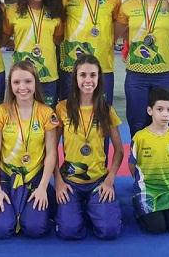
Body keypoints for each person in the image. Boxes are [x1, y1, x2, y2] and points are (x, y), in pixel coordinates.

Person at [54, 54, 123, 240]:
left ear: (99, 78)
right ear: (75, 78)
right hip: (69, 181)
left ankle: (93, 208)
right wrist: (59, 182)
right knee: (69, 231)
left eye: (93, 75)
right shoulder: (62, 109)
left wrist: (110, 180)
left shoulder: (106, 110)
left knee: (109, 231)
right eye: (83, 75)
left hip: (98, 181)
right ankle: (78, 210)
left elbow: (119, 150)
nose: (88, 80)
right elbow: (51, 149)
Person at [0, 61, 58, 238]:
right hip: (6, 177)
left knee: (35, 229)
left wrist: (42, 187)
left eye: (27, 81)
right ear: (10, 85)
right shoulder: (1, 112)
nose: (22, 87)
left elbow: (51, 153)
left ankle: (42, 202)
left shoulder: (46, 112)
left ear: (35, 84)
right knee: (1, 230)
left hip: (34, 178)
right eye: (16, 82)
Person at [116, 0, 169, 137]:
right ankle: (138, 164)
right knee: (137, 123)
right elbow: (117, 33)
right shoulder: (128, 5)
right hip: (136, 76)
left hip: (165, 74)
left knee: (164, 124)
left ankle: (163, 163)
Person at [59, 0, 122, 105]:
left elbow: (117, 24)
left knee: (102, 116)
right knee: (69, 116)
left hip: (102, 67)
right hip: (71, 67)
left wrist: (107, 42)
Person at [129, 88, 169, 234]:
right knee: (157, 228)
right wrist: (140, 183)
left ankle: (165, 208)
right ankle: (138, 204)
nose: (165, 114)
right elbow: (132, 165)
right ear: (150, 111)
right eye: (159, 109)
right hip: (147, 190)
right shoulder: (140, 137)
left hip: (168, 189)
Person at [5, 0, 64, 108]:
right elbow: (4, 39)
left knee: (48, 121)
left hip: (48, 76)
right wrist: (21, 47)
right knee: (20, 120)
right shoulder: (12, 10)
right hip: (21, 77)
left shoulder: (55, 13)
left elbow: (57, 39)